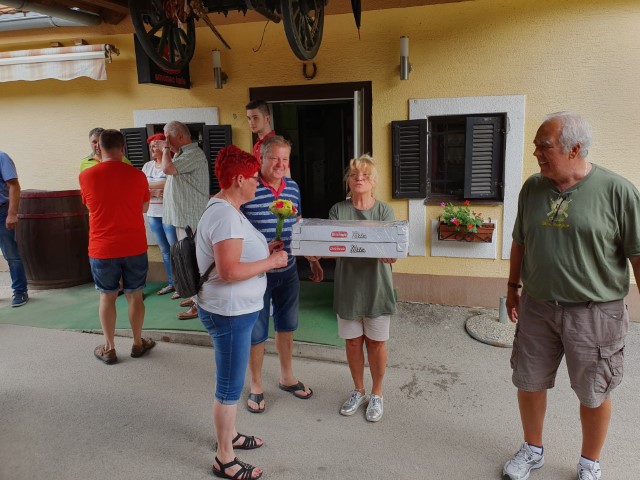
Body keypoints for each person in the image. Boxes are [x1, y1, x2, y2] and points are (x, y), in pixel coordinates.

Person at [502, 112, 640, 480]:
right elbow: (519, 242)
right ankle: (532, 449)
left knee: (594, 392)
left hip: (595, 314)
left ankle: (589, 462)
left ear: (574, 149)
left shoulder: (617, 191)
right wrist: (513, 288)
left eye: (543, 146)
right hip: (537, 307)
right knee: (529, 381)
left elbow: (638, 256)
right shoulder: (532, 188)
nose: (536, 153)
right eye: (535, 146)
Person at [196, 145, 288, 479]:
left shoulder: (227, 209)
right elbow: (229, 271)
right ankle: (224, 458)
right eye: (252, 179)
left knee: (230, 383)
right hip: (229, 313)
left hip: (233, 310)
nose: (256, 183)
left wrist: (265, 249)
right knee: (229, 388)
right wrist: (271, 262)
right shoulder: (224, 216)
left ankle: (230, 435)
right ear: (238, 180)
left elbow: (235, 255)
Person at [240, 135, 322, 413]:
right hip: (257, 273)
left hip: (288, 271)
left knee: (287, 325)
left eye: (285, 159)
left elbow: (297, 223)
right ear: (261, 158)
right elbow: (235, 228)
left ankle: (287, 377)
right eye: (275, 158)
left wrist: (311, 258)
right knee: (256, 332)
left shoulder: (293, 187)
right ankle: (256, 385)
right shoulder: (249, 186)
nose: (280, 164)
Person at [327, 155, 396, 422]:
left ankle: (377, 393)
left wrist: (391, 254)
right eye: (355, 174)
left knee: (376, 343)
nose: (359, 178)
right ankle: (358, 390)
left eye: (365, 175)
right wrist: (316, 252)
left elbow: (391, 247)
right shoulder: (338, 211)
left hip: (377, 286)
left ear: (374, 181)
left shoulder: (384, 212)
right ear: (348, 180)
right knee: (353, 342)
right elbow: (333, 245)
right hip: (348, 287)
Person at [79, 129, 155, 365]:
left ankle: (109, 347)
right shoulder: (138, 175)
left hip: (102, 247)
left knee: (107, 296)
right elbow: (144, 207)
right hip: (134, 245)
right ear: (123, 148)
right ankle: (137, 342)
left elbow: (89, 206)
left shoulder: (86, 176)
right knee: (135, 295)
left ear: (99, 148)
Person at [161, 121, 209, 319]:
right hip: (184, 219)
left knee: (194, 262)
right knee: (188, 260)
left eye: (167, 137)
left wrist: (165, 149)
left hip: (191, 219)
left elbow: (167, 169)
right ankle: (194, 296)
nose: (165, 141)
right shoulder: (182, 154)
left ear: (179, 136)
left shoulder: (193, 154)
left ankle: (199, 305)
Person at [142, 133, 178, 296]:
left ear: (163, 147)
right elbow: (141, 186)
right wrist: (154, 191)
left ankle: (182, 283)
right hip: (153, 213)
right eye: (150, 146)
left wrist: (150, 186)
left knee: (175, 249)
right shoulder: (147, 166)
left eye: (155, 146)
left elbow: (170, 181)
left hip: (169, 213)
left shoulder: (170, 163)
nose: (152, 149)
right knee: (164, 250)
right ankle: (172, 283)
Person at [0, 150, 28, 307]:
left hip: (2, 211)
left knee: (11, 254)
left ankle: (20, 291)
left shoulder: (2, 157)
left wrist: (12, 214)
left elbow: (14, 185)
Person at [246, 100, 291, 178]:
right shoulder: (257, 145)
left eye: (255, 118)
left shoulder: (276, 144)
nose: (251, 122)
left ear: (267, 118)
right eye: (249, 118)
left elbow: (286, 176)